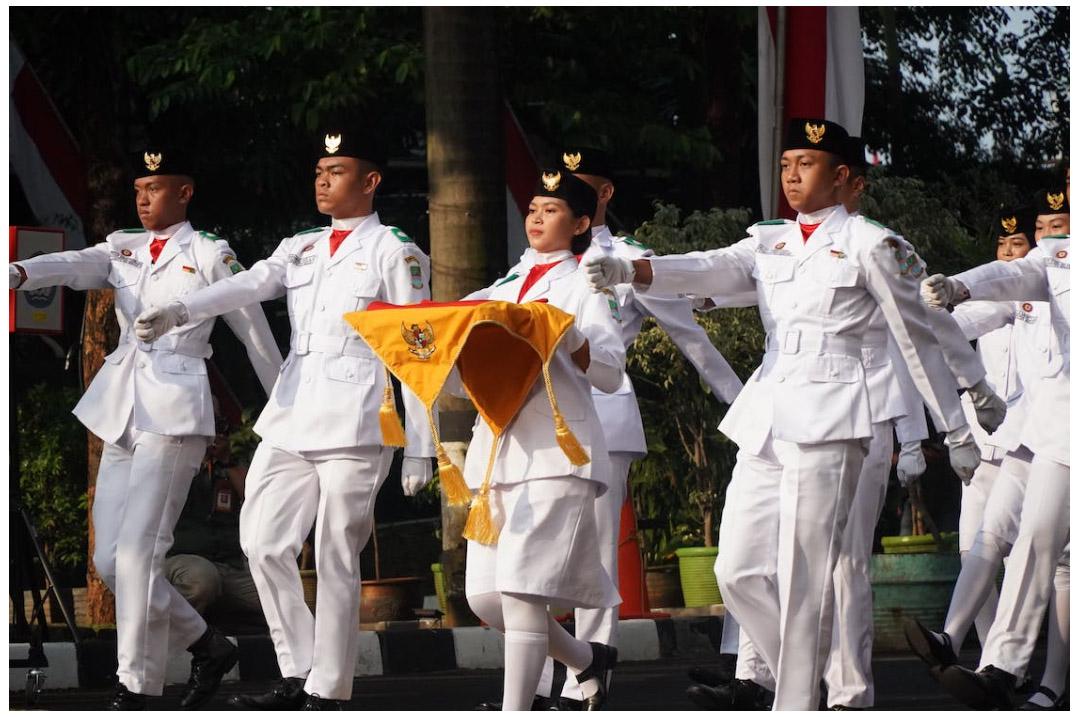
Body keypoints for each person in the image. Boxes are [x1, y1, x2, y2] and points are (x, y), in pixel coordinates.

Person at [585, 118, 981, 709]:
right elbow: (710, 265)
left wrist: (954, 425)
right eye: (786, 164)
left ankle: (798, 702)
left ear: (842, 176)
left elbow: (917, 335)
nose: (792, 176)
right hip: (768, 411)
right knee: (737, 570)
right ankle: (805, 678)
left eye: (807, 164)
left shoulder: (874, 244)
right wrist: (635, 270)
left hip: (833, 414)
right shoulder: (769, 240)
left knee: (806, 576)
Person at [135, 126, 436, 710]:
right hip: (293, 411)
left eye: (337, 172)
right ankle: (299, 668)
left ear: (371, 181)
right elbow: (247, 284)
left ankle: (329, 688)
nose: (323, 181)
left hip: (357, 417)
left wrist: (421, 443)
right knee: (262, 541)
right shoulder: (299, 245)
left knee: (336, 550)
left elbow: (417, 349)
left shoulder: (394, 250)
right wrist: (179, 309)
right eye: (320, 172)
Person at [9, 146, 282, 710]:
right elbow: (79, 263)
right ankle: (206, 645)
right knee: (111, 561)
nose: (143, 198)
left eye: (154, 188)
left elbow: (252, 330)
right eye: (138, 189)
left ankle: (137, 685)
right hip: (123, 406)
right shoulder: (125, 246)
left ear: (184, 192)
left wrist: (284, 404)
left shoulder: (210, 253)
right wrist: (22, 270)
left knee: (139, 554)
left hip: (174, 409)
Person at [459, 168, 625, 711]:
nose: (536, 217)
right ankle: (586, 658)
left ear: (580, 224)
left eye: (551, 210)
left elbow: (610, 372)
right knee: (485, 597)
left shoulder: (588, 283)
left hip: (558, 451)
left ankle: (518, 709)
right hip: (498, 453)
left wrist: (569, 335)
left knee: (521, 592)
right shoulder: (502, 287)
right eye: (533, 208)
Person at [917, 185, 1070, 709]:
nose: (1048, 237)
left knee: (1055, 557)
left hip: (1053, 428)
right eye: (1041, 228)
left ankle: (1045, 681)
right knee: (1018, 539)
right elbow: (1003, 281)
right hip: (1044, 428)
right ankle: (995, 663)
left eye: (1057, 226)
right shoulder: (1052, 263)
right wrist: (954, 289)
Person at [165, 407, 263, 626]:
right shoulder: (175, 461)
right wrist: (195, 456)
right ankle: (177, 636)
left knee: (278, 596)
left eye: (219, 425)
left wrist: (226, 461)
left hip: (229, 565)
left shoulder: (230, 467)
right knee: (202, 579)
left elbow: (255, 499)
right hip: (182, 560)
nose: (215, 433)